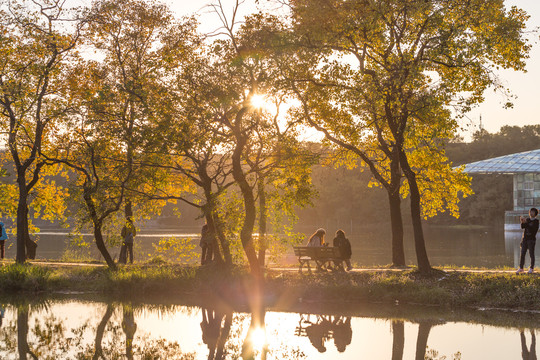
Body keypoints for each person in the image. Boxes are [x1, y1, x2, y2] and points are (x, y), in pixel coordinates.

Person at [517, 207, 539, 274]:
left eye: (533, 212)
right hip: (525, 239)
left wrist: (526, 223)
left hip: (531, 240)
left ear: (535, 213)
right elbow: (523, 227)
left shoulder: (536, 221)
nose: (531, 213)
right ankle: (521, 268)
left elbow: (533, 229)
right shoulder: (527, 219)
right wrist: (522, 222)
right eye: (530, 211)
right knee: (522, 254)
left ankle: (531, 268)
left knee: (531, 254)